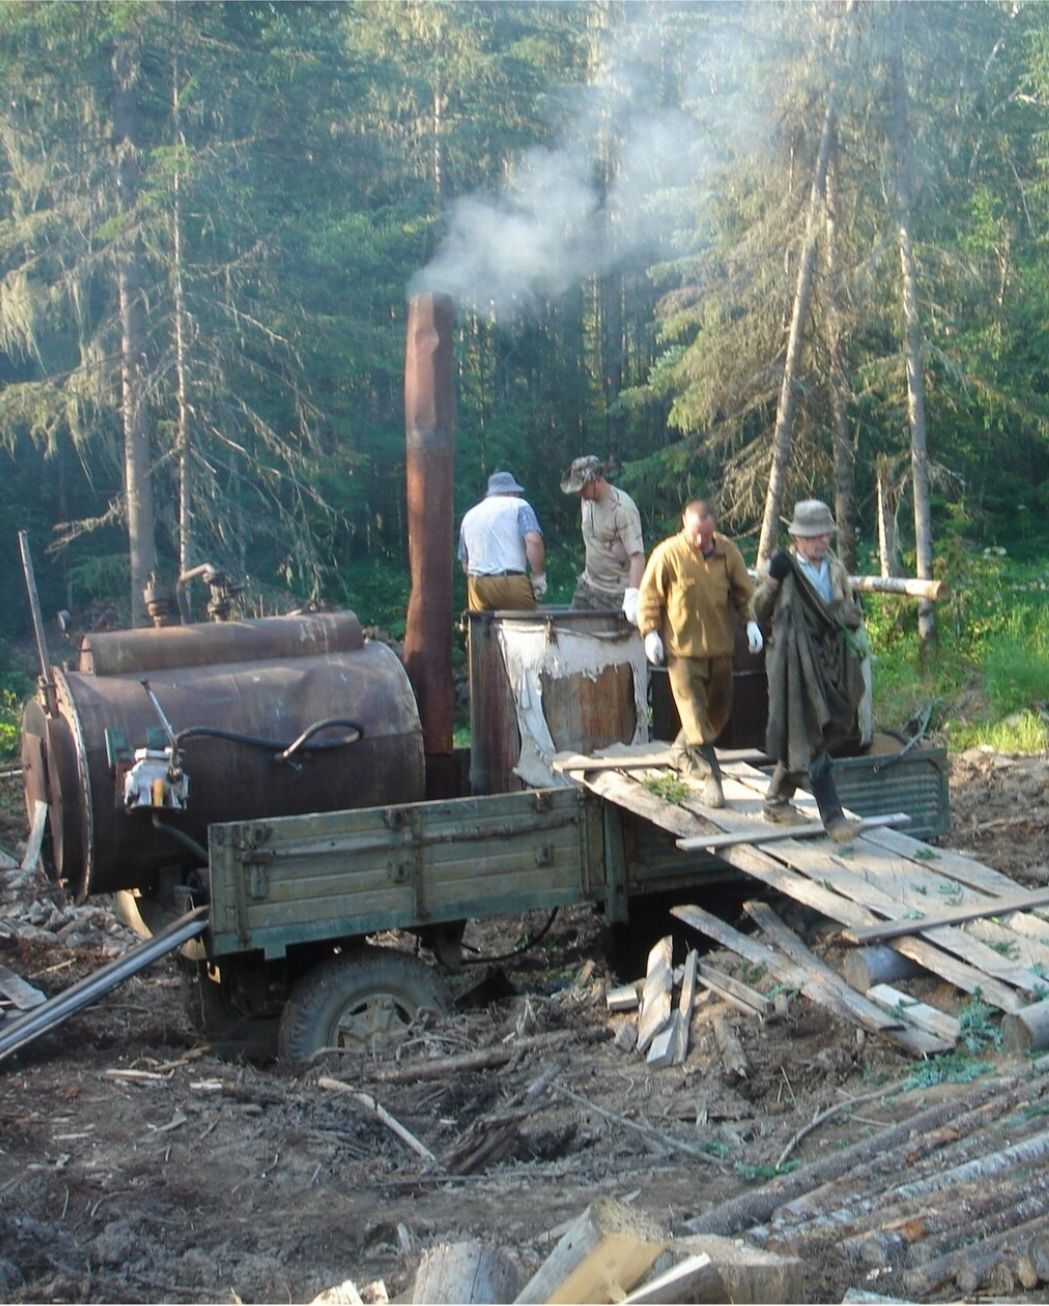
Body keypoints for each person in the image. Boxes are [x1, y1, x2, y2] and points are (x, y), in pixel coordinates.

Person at [754, 499, 870, 843]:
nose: (822, 542)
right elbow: (758, 609)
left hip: (829, 660)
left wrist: (849, 620)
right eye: (815, 536)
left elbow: (847, 610)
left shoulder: (834, 568)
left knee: (823, 728)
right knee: (807, 733)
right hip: (792, 662)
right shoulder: (783, 567)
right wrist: (773, 582)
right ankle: (833, 818)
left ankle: (776, 800)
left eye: (825, 535)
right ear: (799, 539)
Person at [637, 499, 763, 807]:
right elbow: (649, 595)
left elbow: (744, 593)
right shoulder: (668, 554)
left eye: (705, 536)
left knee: (717, 710)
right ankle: (711, 778)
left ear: (714, 528)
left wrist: (751, 624)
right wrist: (650, 632)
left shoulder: (727, 551)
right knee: (693, 711)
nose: (699, 541)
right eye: (694, 534)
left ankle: (681, 751)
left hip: (720, 647)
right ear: (685, 523)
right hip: (682, 650)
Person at [560, 456, 645, 623]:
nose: (579, 493)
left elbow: (637, 557)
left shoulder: (622, 508)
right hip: (589, 585)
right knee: (570, 631)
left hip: (617, 591)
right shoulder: (587, 502)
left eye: (583, 488)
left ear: (597, 481)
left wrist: (633, 595)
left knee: (613, 643)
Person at [458, 470, 547, 612]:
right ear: (511, 492)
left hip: (476, 585)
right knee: (531, 627)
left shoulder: (469, 515)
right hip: (510, 582)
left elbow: (465, 565)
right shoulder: (519, 505)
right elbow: (533, 540)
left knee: (482, 630)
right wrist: (538, 577)